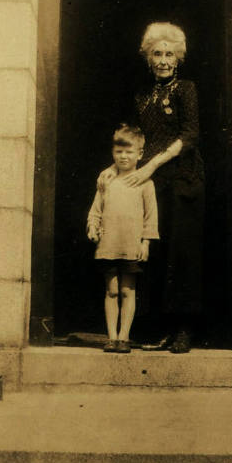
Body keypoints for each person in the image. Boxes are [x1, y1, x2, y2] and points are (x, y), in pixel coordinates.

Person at [98, 22, 205, 353]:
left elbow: (190, 135)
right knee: (155, 252)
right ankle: (162, 330)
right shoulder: (141, 95)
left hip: (183, 179)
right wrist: (113, 171)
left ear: (178, 58)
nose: (163, 60)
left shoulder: (186, 89)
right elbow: (131, 140)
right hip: (149, 183)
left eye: (169, 54)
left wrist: (152, 166)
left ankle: (184, 330)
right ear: (148, 58)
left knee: (182, 253)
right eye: (157, 53)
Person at [87, 124, 159, 353]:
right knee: (112, 291)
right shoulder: (106, 181)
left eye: (129, 152)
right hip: (108, 245)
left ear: (140, 154)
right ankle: (111, 337)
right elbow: (95, 210)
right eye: (119, 152)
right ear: (113, 153)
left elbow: (151, 217)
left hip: (131, 246)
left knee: (128, 291)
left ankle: (124, 336)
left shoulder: (146, 184)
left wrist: (145, 242)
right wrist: (92, 226)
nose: (124, 156)